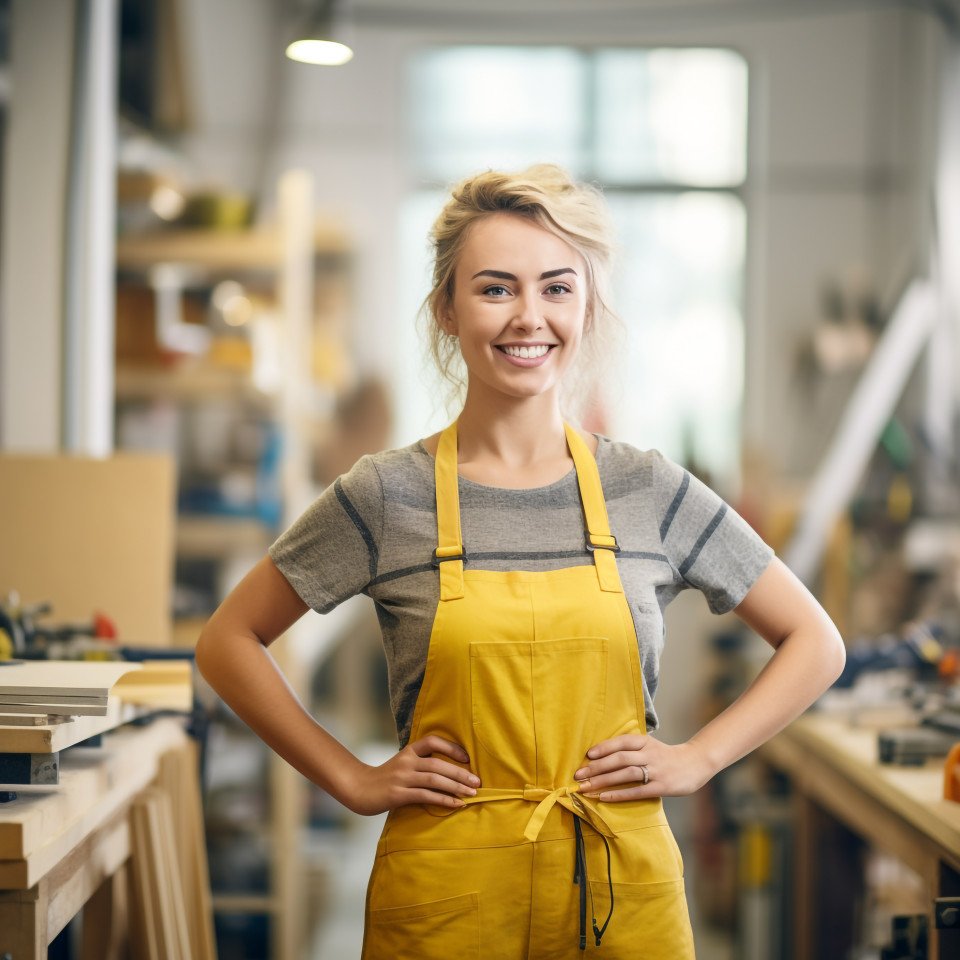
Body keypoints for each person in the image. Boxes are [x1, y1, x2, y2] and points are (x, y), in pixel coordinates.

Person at [195, 164, 846, 958]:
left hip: (620, 888)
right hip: (446, 895)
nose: (528, 317)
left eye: (557, 288)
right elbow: (227, 642)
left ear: (587, 306)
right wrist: (351, 778)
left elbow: (817, 642)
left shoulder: (646, 488)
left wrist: (698, 758)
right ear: (447, 309)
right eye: (496, 289)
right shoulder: (386, 495)